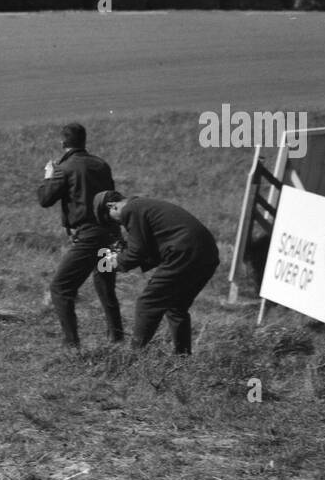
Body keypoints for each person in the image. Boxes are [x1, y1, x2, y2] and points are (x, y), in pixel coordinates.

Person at [94, 191, 220, 355]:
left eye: (111, 219)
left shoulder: (131, 210)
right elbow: (150, 247)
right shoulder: (143, 206)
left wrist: (113, 263)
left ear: (112, 206)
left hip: (185, 252)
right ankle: (182, 358)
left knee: (148, 303)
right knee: (176, 307)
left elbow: (136, 252)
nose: (119, 225)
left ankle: (134, 357)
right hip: (206, 254)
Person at [36, 123, 124, 350]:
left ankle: (71, 346)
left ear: (63, 143)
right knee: (105, 284)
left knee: (60, 288)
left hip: (88, 238)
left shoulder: (64, 169)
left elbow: (46, 199)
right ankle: (117, 339)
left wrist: (48, 175)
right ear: (84, 141)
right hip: (110, 235)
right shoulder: (102, 165)